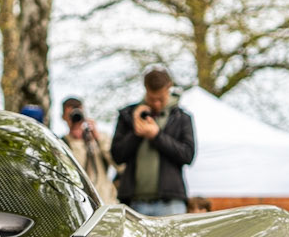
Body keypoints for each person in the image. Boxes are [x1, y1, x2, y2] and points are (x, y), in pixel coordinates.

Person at [110, 66, 196, 217]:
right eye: (152, 99)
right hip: (134, 203)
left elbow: (187, 155)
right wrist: (137, 132)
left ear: (169, 87)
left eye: (160, 99)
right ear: (145, 89)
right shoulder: (128, 115)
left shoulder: (182, 117)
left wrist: (156, 136)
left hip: (170, 202)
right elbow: (117, 156)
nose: (156, 104)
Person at [59, 98, 115, 204]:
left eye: (78, 113)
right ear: (63, 117)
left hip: (106, 203)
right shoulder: (61, 144)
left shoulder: (99, 138)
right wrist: (76, 138)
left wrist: (97, 137)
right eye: (71, 114)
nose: (75, 118)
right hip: (79, 204)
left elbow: (118, 164)